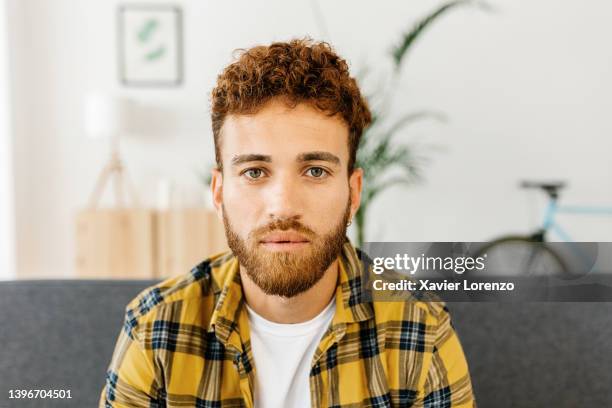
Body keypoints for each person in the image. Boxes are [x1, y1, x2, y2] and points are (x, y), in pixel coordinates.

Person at [99, 37, 476, 408]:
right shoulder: (156, 327)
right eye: (254, 172)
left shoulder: (420, 329)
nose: (283, 206)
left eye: (315, 170)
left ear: (353, 191)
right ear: (218, 192)